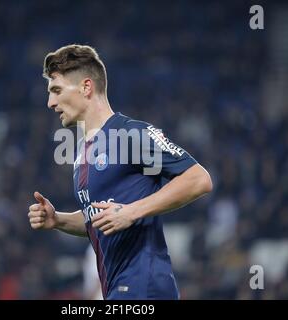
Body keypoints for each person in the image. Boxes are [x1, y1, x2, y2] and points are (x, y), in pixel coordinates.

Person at [28, 44, 212, 300]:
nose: (50, 102)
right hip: (118, 289)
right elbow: (101, 219)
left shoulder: (128, 135)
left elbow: (198, 179)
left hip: (144, 286)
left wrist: (132, 211)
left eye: (56, 90)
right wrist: (57, 220)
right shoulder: (83, 152)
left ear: (86, 87)